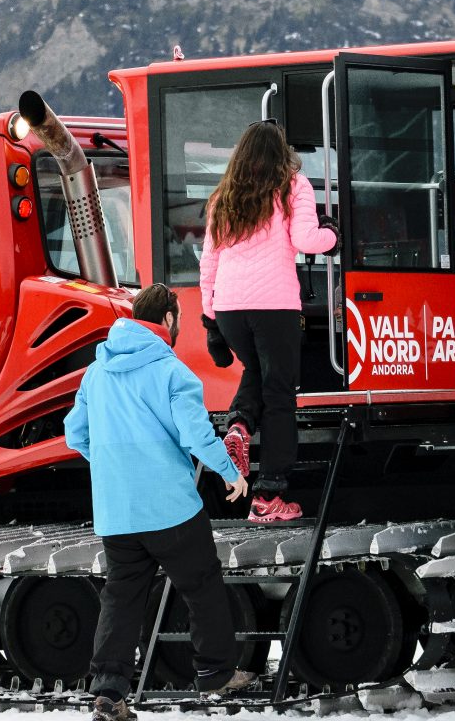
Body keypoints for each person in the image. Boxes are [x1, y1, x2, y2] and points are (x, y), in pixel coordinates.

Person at [66, 284, 254, 718]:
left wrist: (114, 464)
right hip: (169, 509)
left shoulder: (96, 372)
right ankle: (215, 673)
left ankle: (109, 692)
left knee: (121, 597)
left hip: (117, 514)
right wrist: (232, 472)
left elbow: (76, 434)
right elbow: (195, 435)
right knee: (202, 584)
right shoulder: (174, 373)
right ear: (168, 320)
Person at [199, 121, 337, 523]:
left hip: (229, 308)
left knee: (256, 372)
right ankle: (269, 495)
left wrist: (210, 322)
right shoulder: (293, 186)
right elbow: (308, 240)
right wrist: (334, 235)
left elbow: (209, 262)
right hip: (274, 307)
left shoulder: (223, 198)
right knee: (279, 396)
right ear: (281, 153)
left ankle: (239, 425)